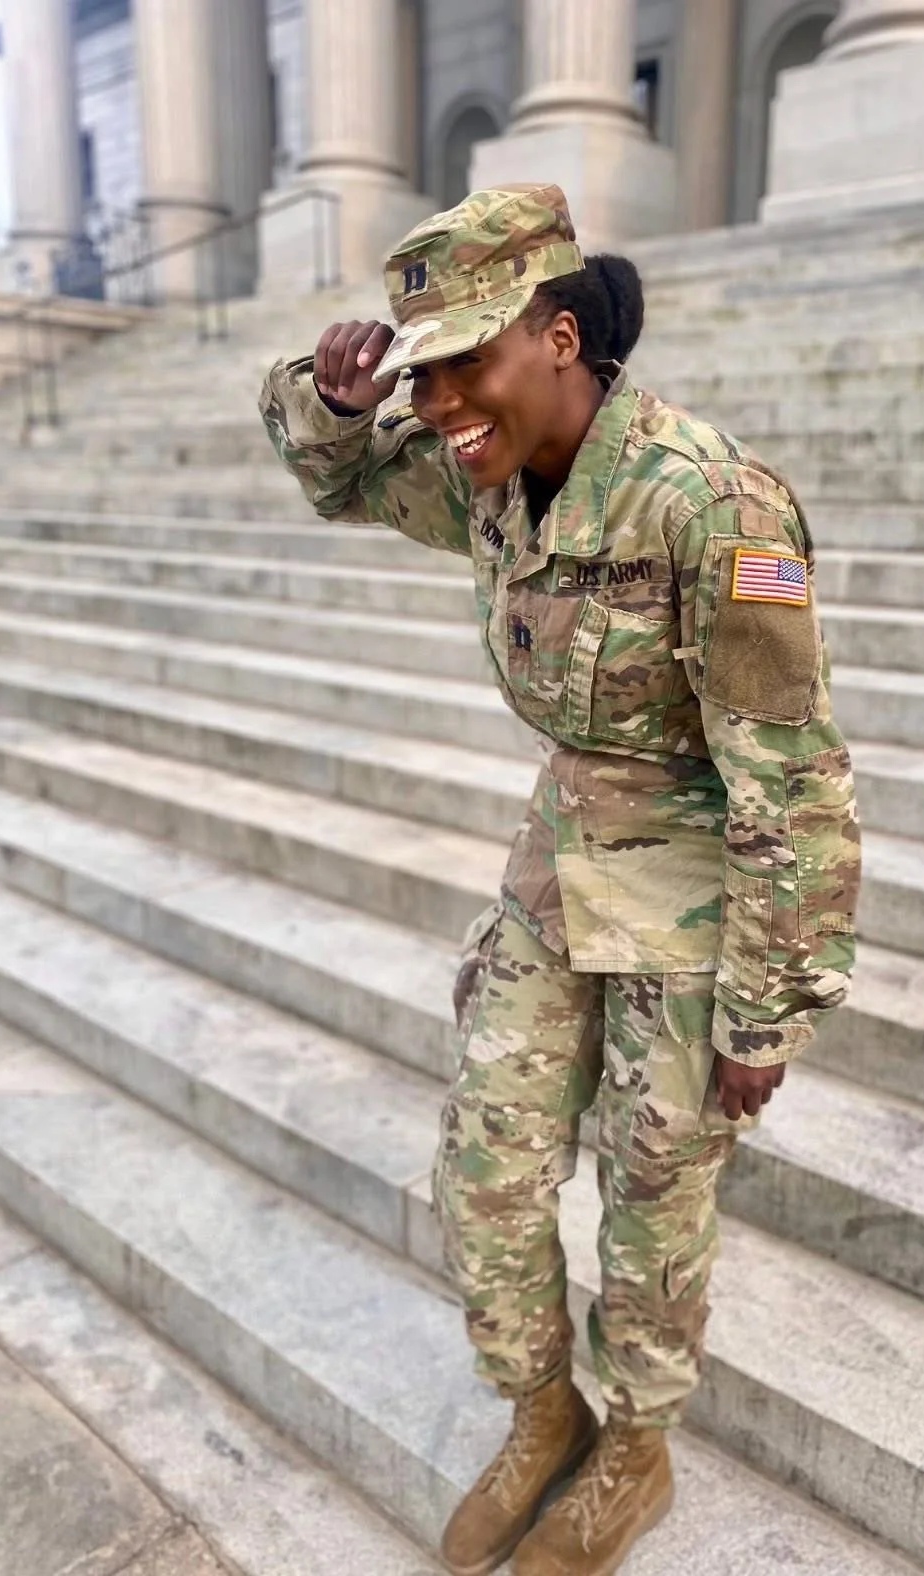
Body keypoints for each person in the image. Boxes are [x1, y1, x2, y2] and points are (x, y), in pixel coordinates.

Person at [260, 183, 860, 1576]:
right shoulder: (483, 466)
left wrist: (768, 1016)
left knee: (653, 1187)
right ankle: (542, 1412)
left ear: (562, 336)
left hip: (694, 886)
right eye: (430, 369)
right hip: (555, 863)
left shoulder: (712, 501)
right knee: (488, 1164)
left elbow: (793, 775)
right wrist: (339, 401)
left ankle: (633, 1454)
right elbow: (339, 476)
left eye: (471, 358)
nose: (446, 398)